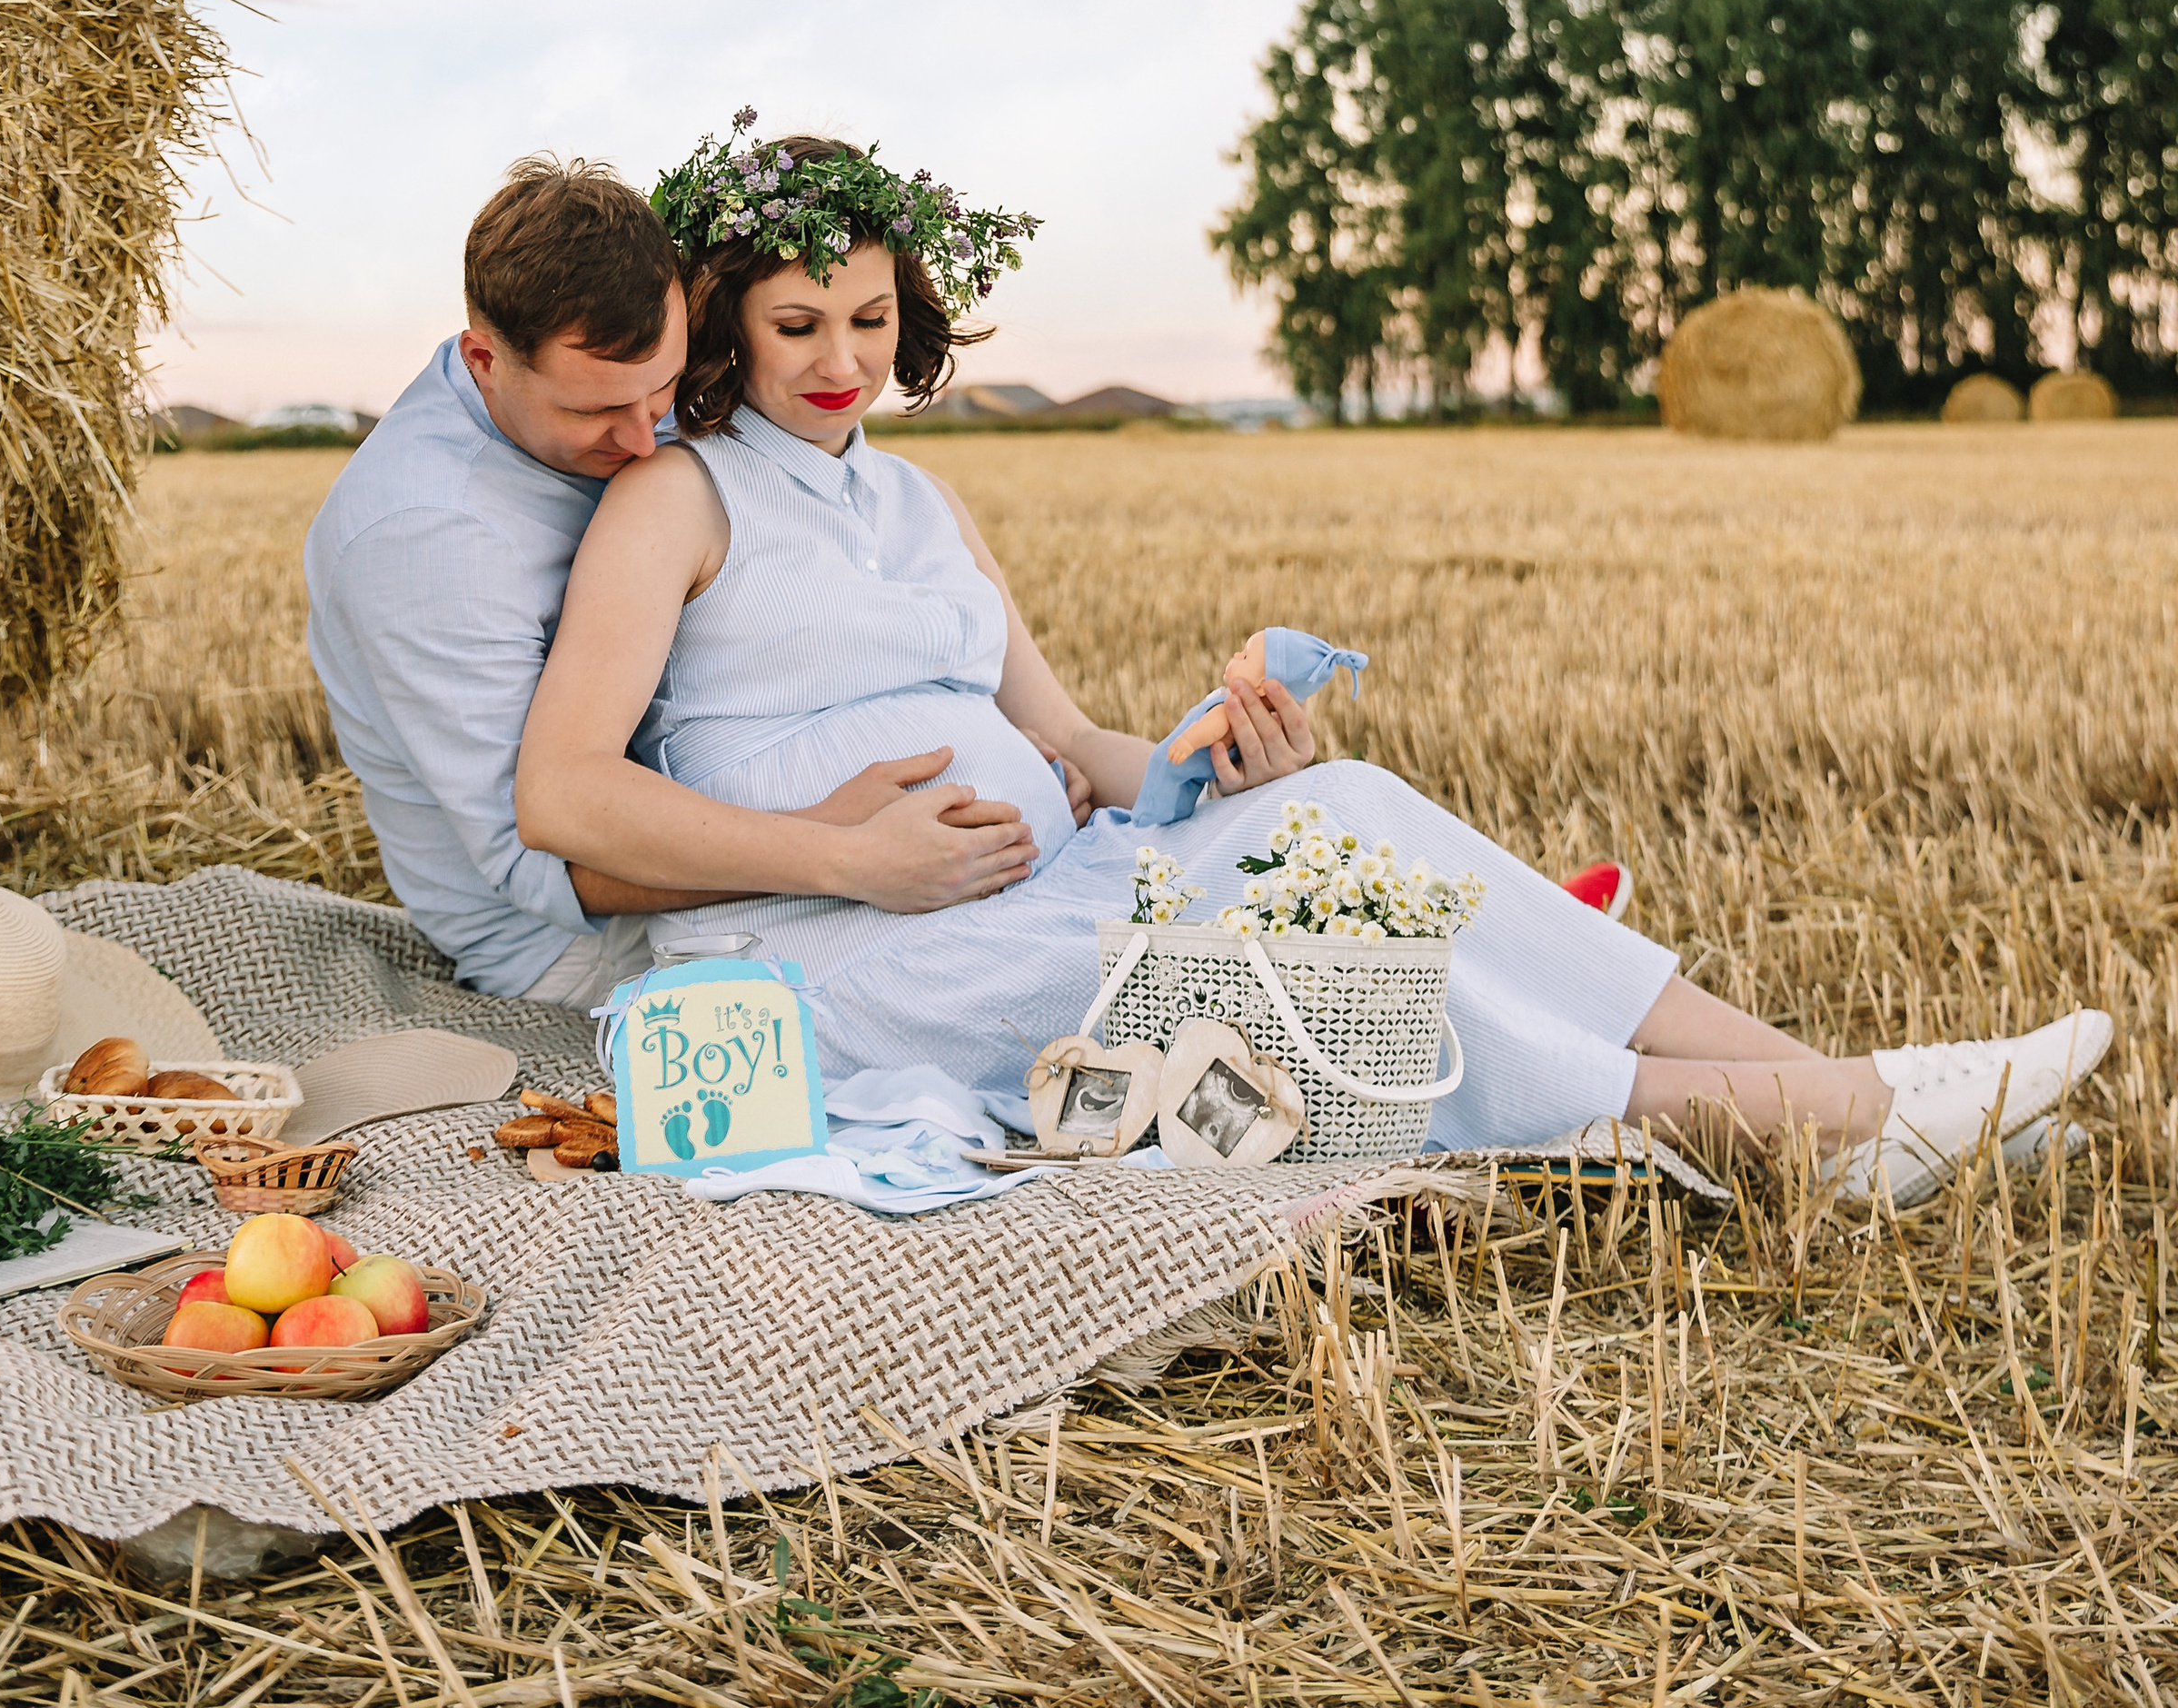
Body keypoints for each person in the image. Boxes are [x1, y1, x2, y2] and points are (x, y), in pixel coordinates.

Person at [513, 123, 2110, 1206]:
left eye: (869, 318)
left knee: (1337, 814)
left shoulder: (924, 501)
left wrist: (1209, 764)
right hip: (845, 971)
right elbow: (563, 794)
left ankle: (1832, 1086)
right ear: (721, 322)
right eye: (797, 327)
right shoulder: (677, 500)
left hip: (1039, 884)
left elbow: (1072, 739)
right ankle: (1829, 1129)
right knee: (1275, 977)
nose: (846, 362)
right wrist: (846, 859)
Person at [304, 151, 1041, 1010]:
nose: (649, 439)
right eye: (594, 413)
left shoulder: (619, 391)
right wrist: (842, 850)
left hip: (771, 847)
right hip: (583, 944)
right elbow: (541, 858)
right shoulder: (428, 541)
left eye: (662, 389)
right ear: (483, 362)